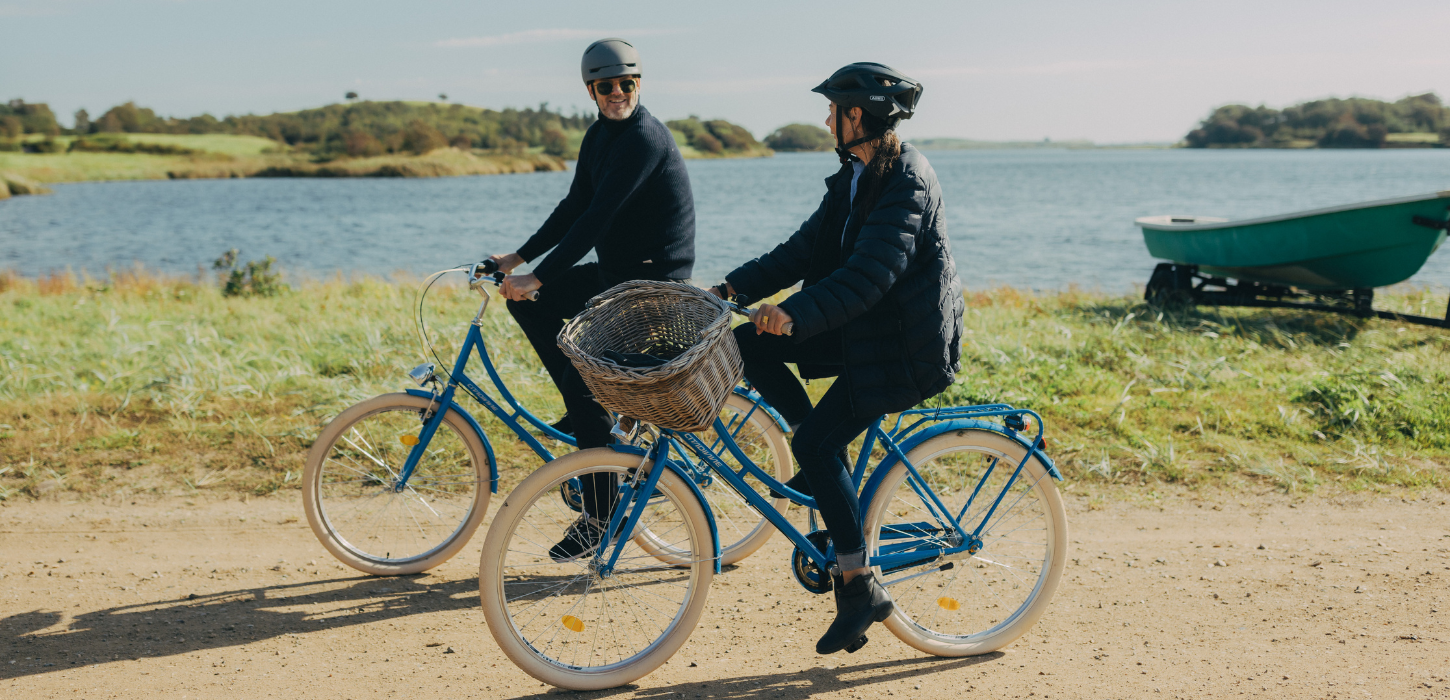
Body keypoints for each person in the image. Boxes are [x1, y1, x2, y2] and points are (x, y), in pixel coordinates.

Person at [710, 63, 964, 654]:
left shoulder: (907, 181)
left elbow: (870, 275)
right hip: (863, 328)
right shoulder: (856, 175)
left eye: (833, 110)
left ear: (858, 116)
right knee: (746, 345)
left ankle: (859, 587)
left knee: (818, 446)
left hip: (904, 347)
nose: (826, 119)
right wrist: (729, 291)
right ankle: (818, 445)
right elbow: (801, 251)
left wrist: (795, 313)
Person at [489, 37, 696, 562]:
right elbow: (574, 205)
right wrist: (518, 260)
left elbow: (596, 220)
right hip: (616, 273)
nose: (618, 94)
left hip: (652, 282)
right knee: (526, 303)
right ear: (591, 90)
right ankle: (587, 414)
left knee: (582, 377)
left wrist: (542, 275)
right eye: (607, 86)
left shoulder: (645, 139)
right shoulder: (600, 135)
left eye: (627, 84)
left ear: (638, 85)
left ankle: (600, 517)